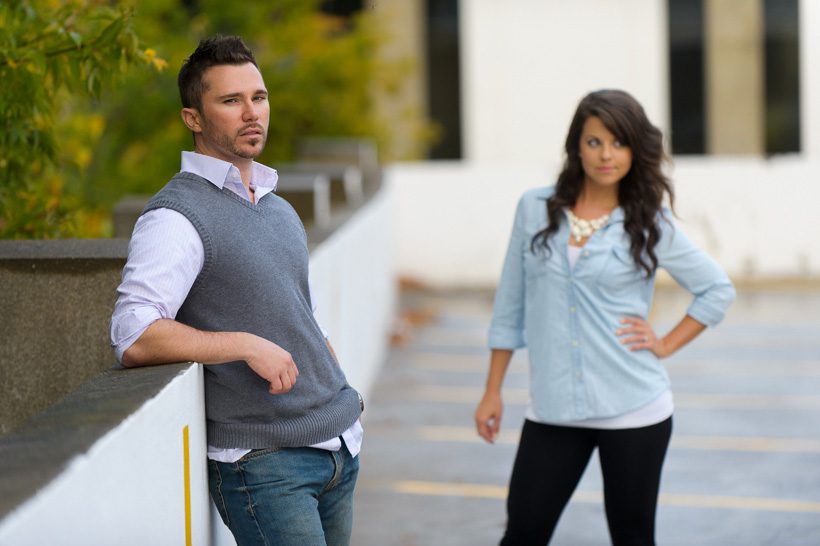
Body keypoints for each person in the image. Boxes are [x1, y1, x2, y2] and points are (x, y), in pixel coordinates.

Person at [110, 35, 363, 546]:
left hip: (338, 443)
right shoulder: (176, 217)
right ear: (193, 118)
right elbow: (133, 334)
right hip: (266, 465)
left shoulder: (278, 207)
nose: (252, 113)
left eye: (259, 97)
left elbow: (303, 316)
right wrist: (245, 345)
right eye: (231, 100)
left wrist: (337, 388)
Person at [474, 89, 735, 545]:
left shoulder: (649, 222)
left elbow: (717, 289)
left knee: (632, 539)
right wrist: (492, 390)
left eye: (619, 143)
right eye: (594, 142)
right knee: (523, 534)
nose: (606, 155)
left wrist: (665, 344)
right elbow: (509, 305)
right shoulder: (534, 208)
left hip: (635, 407)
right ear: (577, 146)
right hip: (554, 408)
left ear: (635, 150)